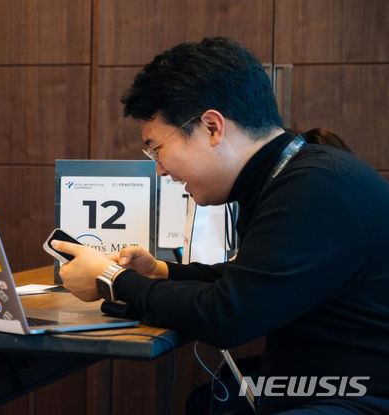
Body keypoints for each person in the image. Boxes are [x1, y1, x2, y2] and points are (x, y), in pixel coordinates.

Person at [53, 38, 389, 414]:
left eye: (156, 149)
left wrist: (113, 280)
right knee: (208, 403)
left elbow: (227, 317)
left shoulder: (314, 189)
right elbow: (255, 279)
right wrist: (161, 271)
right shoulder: (292, 175)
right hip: (325, 380)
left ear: (212, 127)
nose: (160, 169)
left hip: (359, 395)